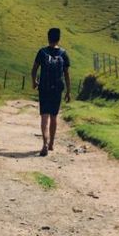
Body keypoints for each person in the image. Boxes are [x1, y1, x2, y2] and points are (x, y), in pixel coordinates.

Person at [31, 27, 70, 156]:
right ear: (59, 38)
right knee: (54, 117)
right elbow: (66, 74)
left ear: (48, 38)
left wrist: (34, 82)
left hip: (44, 89)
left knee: (44, 117)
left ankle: (45, 143)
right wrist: (68, 91)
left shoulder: (42, 52)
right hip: (57, 90)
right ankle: (52, 143)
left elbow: (34, 70)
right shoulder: (63, 54)